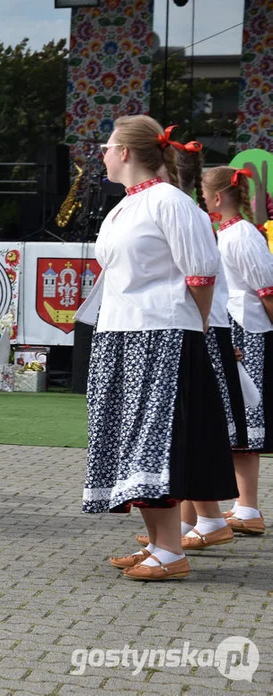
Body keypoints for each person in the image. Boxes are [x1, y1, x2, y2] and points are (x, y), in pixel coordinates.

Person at [85, 116, 236, 582]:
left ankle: (171, 551)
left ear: (126, 152)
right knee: (130, 439)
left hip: (162, 334)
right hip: (121, 332)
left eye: (107, 147)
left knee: (155, 439)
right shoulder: (123, 207)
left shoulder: (170, 201)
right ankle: (158, 544)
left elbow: (201, 272)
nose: (103, 155)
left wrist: (196, 325)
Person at [203, 166, 273, 538]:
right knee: (235, 417)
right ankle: (243, 506)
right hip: (235, 326)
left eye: (204, 193)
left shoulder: (242, 235)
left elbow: (266, 289)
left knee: (246, 414)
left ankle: (247, 507)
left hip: (247, 329)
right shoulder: (229, 234)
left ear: (217, 197)